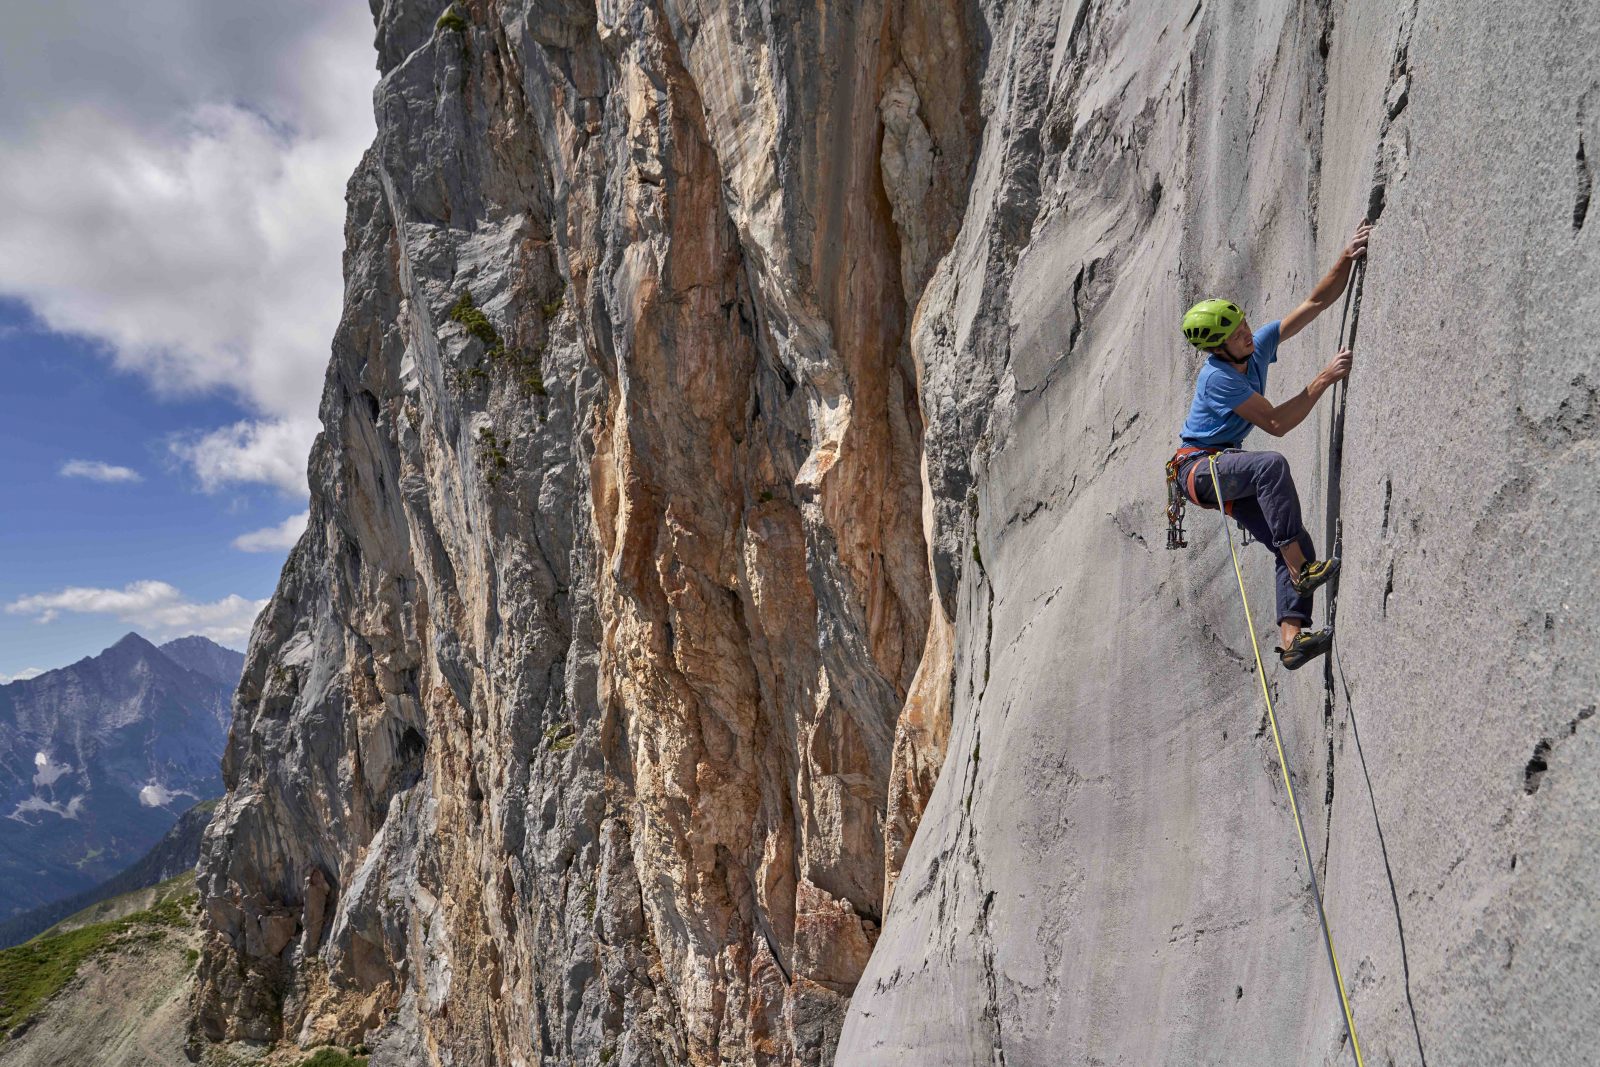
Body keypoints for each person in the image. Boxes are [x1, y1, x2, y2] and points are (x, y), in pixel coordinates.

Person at [1170, 221, 1372, 670]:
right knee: (1272, 467)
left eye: (1242, 323)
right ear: (1219, 348)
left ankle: (1292, 642)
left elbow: (1315, 302)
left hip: (1222, 465)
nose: (1247, 332)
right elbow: (1277, 423)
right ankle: (1302, 572)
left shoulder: (1256, 346)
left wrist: (1346, 255)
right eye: (1236, 333)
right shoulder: (1219, 378)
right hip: (1198, 471)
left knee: (1293, 540)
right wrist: (1322, 379)